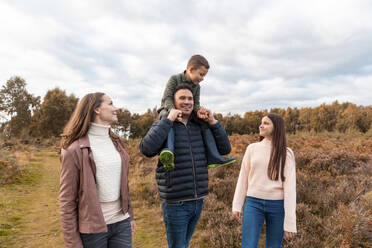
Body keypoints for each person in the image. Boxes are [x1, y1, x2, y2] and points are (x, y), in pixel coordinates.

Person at [140, 84, 233, 248]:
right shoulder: (164, 124)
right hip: (176, 201)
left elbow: (225, 148)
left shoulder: (200, 126)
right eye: (182, 98)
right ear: (173, 102)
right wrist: (168, 120)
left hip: (198, 199)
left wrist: (213, 121)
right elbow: (146, 149)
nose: (187, 102)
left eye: (190, 98)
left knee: (184, 244)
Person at [59, 92, 135, 248]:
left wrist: (130, 216)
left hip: (121, 222)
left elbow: (123, 183)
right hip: (92, 229)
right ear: (97, 109)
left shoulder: (117, 142)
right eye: (110, 103)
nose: (116, 108)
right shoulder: (73, 150)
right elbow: (67, 201)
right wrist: (73, 243)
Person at [157, 54, 235, 170]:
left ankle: (213, 156)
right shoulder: (175, 79)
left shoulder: (197, 87)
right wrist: (173, 111)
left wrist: (199, 111)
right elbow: (167, 98)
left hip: (187, 112)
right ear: (191, 69)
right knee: (166, 118)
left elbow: (196, 103)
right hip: (168, 109)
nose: (202, 78)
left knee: (203, 121)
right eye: (201, 74)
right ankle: (168, 152)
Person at [232, 113, 297, 248]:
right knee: (248, 245)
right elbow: (243, 177)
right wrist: (237, 204)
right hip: (253, 203)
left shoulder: (287, 153)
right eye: (261, 122)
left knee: (274, 245)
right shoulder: (252, 148)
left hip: (278, 206)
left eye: (266, 123)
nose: (261, 125)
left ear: (277, 127)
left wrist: (290, 222)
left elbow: (290, 189)